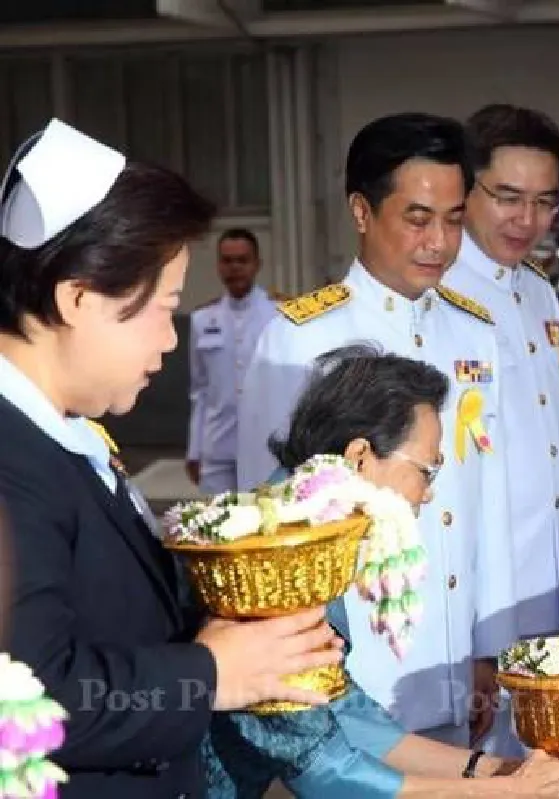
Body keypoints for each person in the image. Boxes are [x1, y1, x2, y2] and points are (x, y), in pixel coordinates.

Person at [0, 118, 341, 798]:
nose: (168, 340)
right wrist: (213, 672)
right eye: (162, 307)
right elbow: (25, 700)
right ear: (77, 296)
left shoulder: (65, 434)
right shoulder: (11, 461)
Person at [207, 344, 559, 799]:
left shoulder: (297, 529)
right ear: (359, 457)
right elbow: (323, 770)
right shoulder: (272, 564)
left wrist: (494, 771)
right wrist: (517, 793)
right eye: (427, 471)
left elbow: (342, 713)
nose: (427, 495)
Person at [236, 112, 516, 751]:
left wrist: (488, 645)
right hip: (358, 657)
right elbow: (264, 519)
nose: (439, 242)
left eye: (453, 219)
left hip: (455, 653)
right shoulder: (301, 338)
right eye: (418, 219)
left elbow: (487, 498)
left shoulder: (476, 332)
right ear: (362, 212)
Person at [441, 104, 559, 756]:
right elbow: (447, 488)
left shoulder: (539, 293)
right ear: (467, 189)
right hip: (479, 615)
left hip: (551, 600)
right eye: (508, 198)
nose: (528, 221)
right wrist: (478, 642)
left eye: (545, 202)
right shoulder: (433, 294)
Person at [185, 228, 276, 493]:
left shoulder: (278, 314)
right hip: (217, 447)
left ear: (257, 264)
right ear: (217, 265)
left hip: (265, 446)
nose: (234, 268)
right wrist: (195, 449)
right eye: (227, 261)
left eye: (242, 260)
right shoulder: (203, 319)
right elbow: (199, 391)